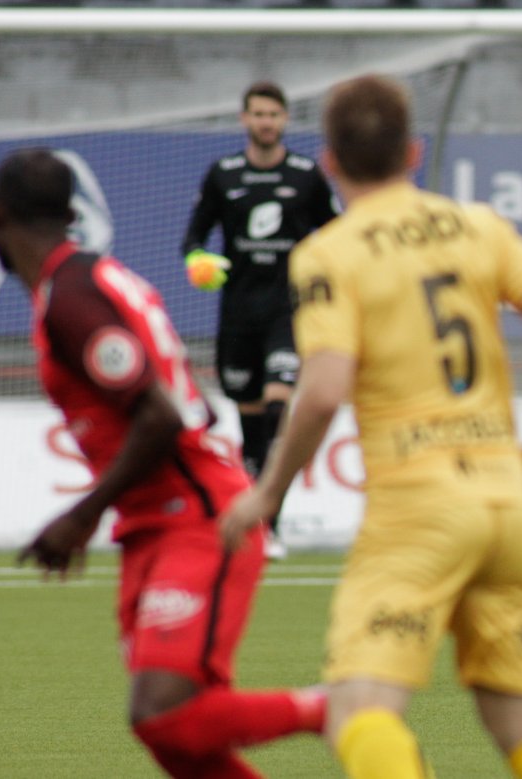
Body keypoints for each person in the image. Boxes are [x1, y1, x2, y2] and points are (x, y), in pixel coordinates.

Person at [220, 74, 522, 779]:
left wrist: (267, 493)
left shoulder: (329, 252)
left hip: (417, 512)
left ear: (329, 162)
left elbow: (325, 388)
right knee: (521, 726)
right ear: (415, 152)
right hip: (502, 507)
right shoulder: (478, 226)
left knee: (358, 710)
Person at [0, 148, 325, 779]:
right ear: (69, 213)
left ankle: (338, 710)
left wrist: (80, 516)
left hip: (199, 515)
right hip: (152, 522)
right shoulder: (89, 282)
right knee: (176, 740)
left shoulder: (73, 297)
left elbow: (162, 416)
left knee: (163, 714)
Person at [182, 80, 339, 561]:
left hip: (289, 313)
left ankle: (270, 525)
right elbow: (193, 238)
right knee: (251, 426)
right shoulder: (223, 174)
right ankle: (258, 516)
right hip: (237, 316)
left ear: (285, 120)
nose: (266, 122)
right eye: (258, 114)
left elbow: (336, 235)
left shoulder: (306, 175)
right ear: (244, 119)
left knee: (277, 407)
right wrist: (198, 261)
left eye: (274, 114)